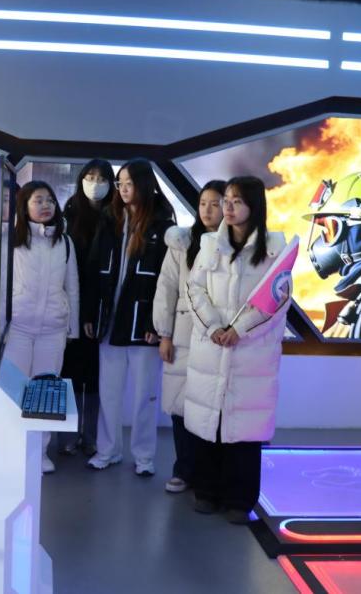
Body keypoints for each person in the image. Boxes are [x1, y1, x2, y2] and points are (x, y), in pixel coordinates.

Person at [185, 176, 291, 523]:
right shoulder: (208, 245)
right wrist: (214, 327)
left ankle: (239, 499)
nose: (227, 208)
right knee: (208, 422)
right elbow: (194, 289)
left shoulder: (274, 249)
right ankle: (206, 491)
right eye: (226, 200)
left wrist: (238, 330)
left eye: (237, 201)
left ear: (254, 206)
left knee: (244, 429)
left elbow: (277, 301)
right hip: (211, 348)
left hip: (251, 354)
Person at [83, 158, 174, 476]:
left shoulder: (163, 226)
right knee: (109, 392)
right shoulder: (109, 220)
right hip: (109, 321)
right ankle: (107, 450)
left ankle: (144, 456)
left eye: (129, 183)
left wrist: (156, 323)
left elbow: (167, 281)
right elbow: (93, 269)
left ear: (144, 185)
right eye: (119, 183)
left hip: (143, 324)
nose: (122, 188)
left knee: (144, 396)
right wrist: (90, 312)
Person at [153, 180, 226, 494]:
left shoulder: (235, 244)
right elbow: (166, 289)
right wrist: (164, 334)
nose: (208, 210)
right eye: (203, 203)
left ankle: (210, 474)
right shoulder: (182, 243)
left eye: (215, 203)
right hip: (183, 332)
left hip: (218, 335)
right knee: (179, 404)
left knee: (211, 405)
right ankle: (183, 470)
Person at [4, 181, 80, 473]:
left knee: (46, 390)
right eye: (38, 200)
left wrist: (72, 327)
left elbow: (72, 287)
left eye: (50, 200)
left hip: (53, 329)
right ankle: (11, 449)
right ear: (24, 207)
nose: (46, 205)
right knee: (14, 390)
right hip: (18, 327)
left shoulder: (65, 242)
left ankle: (39, 453)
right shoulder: (10, 239)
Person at [60, 160, 116, 456]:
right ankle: (67, 436)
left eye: (102, 178)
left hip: (102, 310)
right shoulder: (68, 214)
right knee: (69, 374)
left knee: (95, 379)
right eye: (90, 177)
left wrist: (93, 312)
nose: (95, 183)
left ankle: (91, 436)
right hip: (70, 307)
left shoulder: (116, 217)